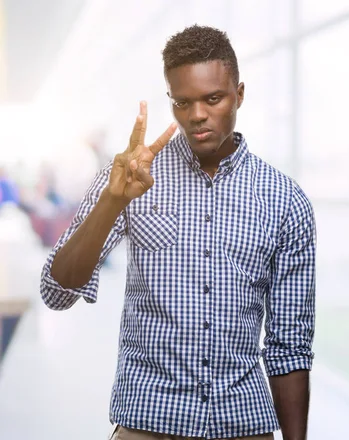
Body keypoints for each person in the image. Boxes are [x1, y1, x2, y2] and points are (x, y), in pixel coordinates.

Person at [40, 25, 316, 440]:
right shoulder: (131, 176)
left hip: (242, 425)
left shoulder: (286, 201)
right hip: (147, 423)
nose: (197, 115)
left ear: (239, 95)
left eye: (213, 98)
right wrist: (112, 201)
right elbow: (56, 292)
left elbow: (290, 346)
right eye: (182, 102)